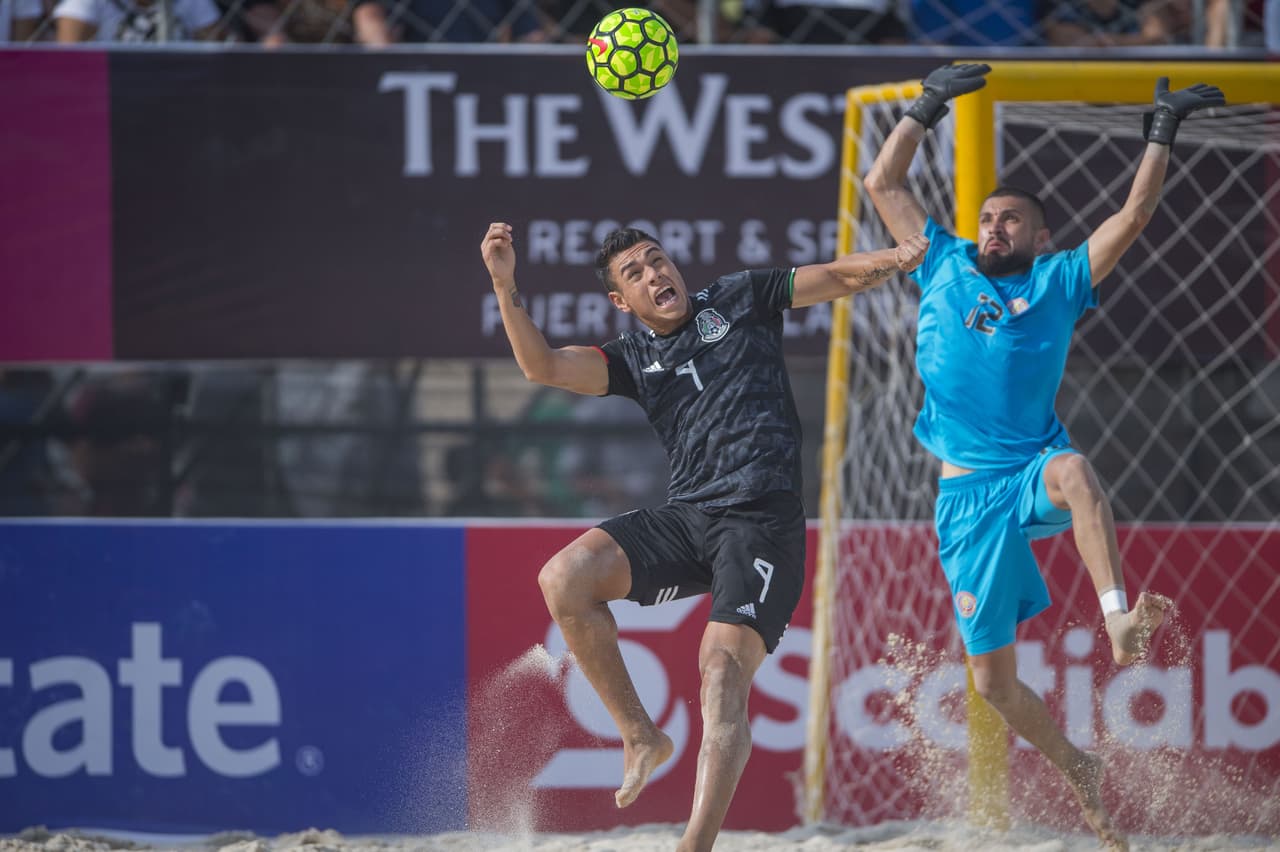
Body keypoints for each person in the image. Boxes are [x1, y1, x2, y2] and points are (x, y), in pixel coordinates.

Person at [863, 63, 1225, 849]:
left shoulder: (1060, 280)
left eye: (1013, 221)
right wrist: (927, 104)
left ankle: (1116, 615)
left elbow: (1133, 214)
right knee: (991, 681)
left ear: (1040, 235)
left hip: (1031, 472)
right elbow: (881, 180)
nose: (995, 228)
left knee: (1076, 470)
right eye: (989, 218)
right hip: (966, 501)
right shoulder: (941, 259)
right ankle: (1078, 767)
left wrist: (1160, 133)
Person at [480, 220, 928, 851]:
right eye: (634, 273)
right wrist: (505, 283)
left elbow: (835, 276)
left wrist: (898, 256)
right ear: (621, 302)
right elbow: (543, 366)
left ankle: (695, 846)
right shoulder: (632, 360)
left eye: (657, 261)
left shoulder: (739, 298)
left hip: (761, 524)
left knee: (719, 674)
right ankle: (641, 735)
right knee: (563, 579)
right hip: (689, 517)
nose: (654, 275)